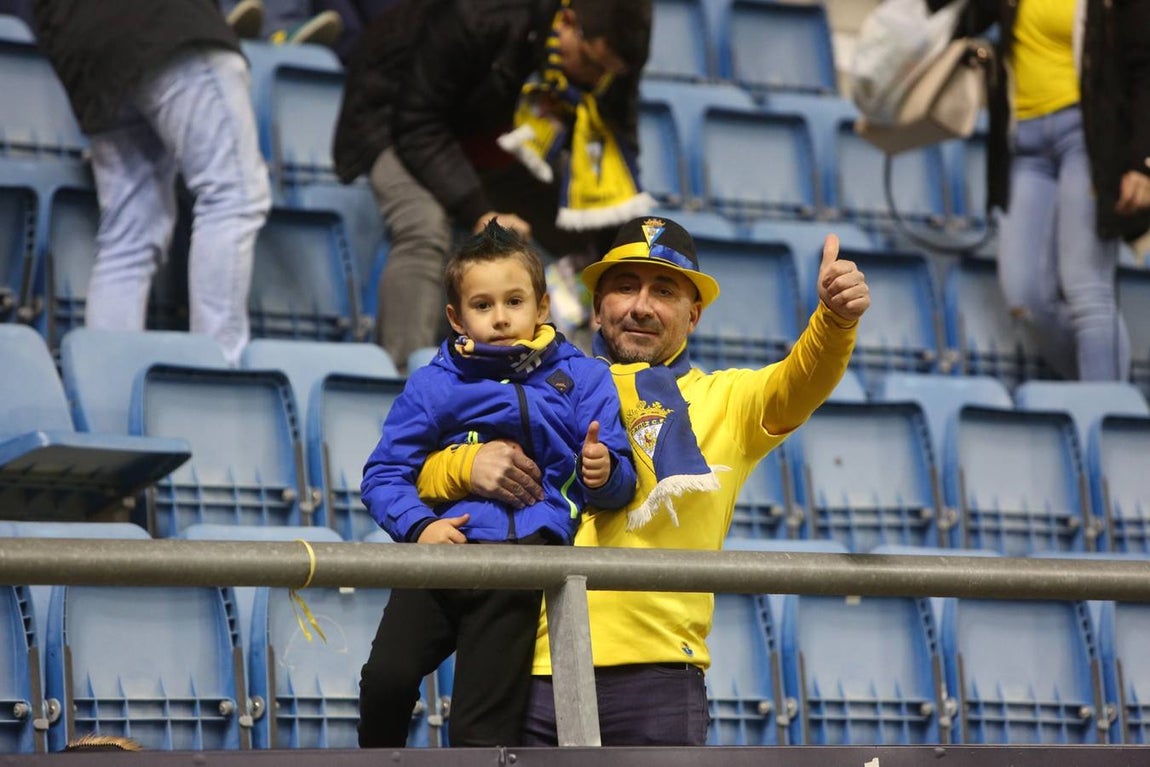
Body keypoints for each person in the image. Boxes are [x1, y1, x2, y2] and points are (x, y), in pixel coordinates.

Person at [416, 215, 870, 745]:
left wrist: (835, 322)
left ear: (693, 314)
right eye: (625, 286)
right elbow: (414, 470)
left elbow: (803, 378)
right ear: (596, 306)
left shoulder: (731, 401)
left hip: (660, 677)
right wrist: (464, 466)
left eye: (664, 291)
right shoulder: (534, 386)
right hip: (532, 667)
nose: (640, 306)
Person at [358, 220, 637, 748]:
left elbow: (616, 478)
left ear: (543, 306)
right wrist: (420, 529)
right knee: (385, 681)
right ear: (455, 317)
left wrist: (605, 472)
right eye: (482, 305)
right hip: (442, 555)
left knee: (479, 729)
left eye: (514, 301)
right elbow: (383, 474)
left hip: (520, 562)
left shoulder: (582, 377)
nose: (502, 317)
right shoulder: (433, 383)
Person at [332, 0, 654, 371]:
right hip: (394, 120)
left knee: (586, 235)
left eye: (607, 72)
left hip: (490, 137)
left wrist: (618, 265)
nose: (597, 80)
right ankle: (407, 374)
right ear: (567, 22)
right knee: (424, 225)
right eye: (591, 63)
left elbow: (615, 163)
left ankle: (586, 379)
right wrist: (478, 209)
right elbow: (418, 122)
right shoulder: (483, 14)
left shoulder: (614, 61)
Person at [33, 0, 272, 367]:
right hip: (168, 25)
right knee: (233, 196)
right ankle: (219, 373)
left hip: (84, 43)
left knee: (128, 236)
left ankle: (107, 391)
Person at [930, 0, 1150, 380]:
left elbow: (1145, 69)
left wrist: (1140, 163)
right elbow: (954, 15)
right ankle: (1096, 402)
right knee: (1025, 298)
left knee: (1087, 289)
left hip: (1087, 139)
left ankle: (1104, 419)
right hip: (1025, 146)